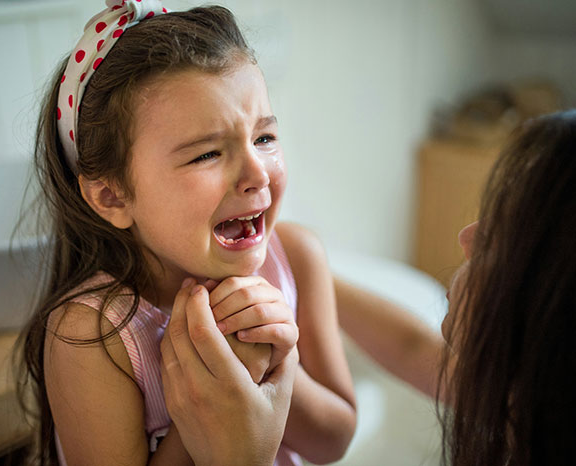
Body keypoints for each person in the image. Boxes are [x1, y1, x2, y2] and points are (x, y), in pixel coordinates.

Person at [17, 1, 357, 465]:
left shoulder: (297, 256)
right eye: (206, 155)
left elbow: (335, 442)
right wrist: (225, 398)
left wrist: (279, 362)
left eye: (264, 138)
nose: (256, 172)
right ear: (113, 196)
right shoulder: (94, 338)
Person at [162, 109, 576, 466]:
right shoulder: (521, 394)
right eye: (207, 153)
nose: (467, 236)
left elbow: (336, 434)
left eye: (506, 234)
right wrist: (296, 270)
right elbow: (412, 346)